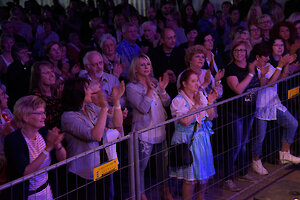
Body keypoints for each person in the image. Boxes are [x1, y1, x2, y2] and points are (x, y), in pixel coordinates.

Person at [61, 77, 124, 199]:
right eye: (87, 88)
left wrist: (116, 102)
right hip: (82, 173)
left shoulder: (90, 108)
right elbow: (96, 136)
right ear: (77, 92)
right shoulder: (68, 117)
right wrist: (104, 108)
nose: (91, 91)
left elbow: (117, 124)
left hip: (101, 165)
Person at [126, 54, 173, 200]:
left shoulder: (154, 81)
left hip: (160, 129)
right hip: (144, 133)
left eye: (148, 64)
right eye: (142, 65)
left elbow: (166, 103)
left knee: (163, 165)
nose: (146, 67)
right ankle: (140, 194)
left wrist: (163, 90)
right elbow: (143, 108)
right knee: (140, 167)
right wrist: (151, 90)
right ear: (135, 69)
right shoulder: (131, 87)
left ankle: (165, 191)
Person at [251, 42, 300, 175]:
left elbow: (280, 79)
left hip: (274, 103)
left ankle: (284, 153)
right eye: (264, 56)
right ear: (257, 57)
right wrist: (279, 66)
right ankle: (256, 161)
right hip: (261, 107)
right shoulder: (255, 68)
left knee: (292, 123)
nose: (267, 58)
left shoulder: (269, 66)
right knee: (260, 138)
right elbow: (267, 84)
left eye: (268, 56)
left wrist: (285, 66)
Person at [4, 95, 66, 200]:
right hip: (28, 196)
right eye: (40, 113)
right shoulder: (13, 140)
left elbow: (63, 158)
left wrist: (57, 143)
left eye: (44, 113)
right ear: (25, 117)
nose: (44, 117)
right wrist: (48, 148)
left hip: (47, 191)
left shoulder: (44, 132)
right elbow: (26, 172)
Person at [170, 69, 218, 200]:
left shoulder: (200, 95)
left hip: (202, 138)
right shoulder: (178, 101)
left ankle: (200, 198)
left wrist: (210, 102)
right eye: (193, 81)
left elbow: (211, 117)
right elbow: (185, 121)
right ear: (184, 83)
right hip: (187, 140)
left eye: (197, 80)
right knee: (190, 178)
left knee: (202, 175)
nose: (197, 83)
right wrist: (196, 105)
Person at [222, 40, 260, 192]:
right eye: (236, 50)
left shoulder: (251, 66)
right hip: (235, 112)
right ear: (232, 52)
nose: (239, 53)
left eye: (242, 50)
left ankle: (243, 172)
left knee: (244, 144)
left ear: (247, 52)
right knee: (235, 146)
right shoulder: (231, 69)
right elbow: (238, 89)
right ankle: (228, 178)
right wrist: (251, 73)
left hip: (249, 111)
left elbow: (258, 84)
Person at [30, 61, 63, 129]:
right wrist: (59, 100)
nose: (52, 75)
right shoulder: (35, 97)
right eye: (47, 73)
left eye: (52, 72)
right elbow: (46, 120)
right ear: (38, 76)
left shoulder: (56, 92)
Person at [5, 43, 32, 111]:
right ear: (16, 54)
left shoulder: (30, 65)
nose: (26, 54)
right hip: (17, 100)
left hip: (28, 98)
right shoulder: (13, 67)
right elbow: (17, 83)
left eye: (27, 52)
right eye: (23, 53)